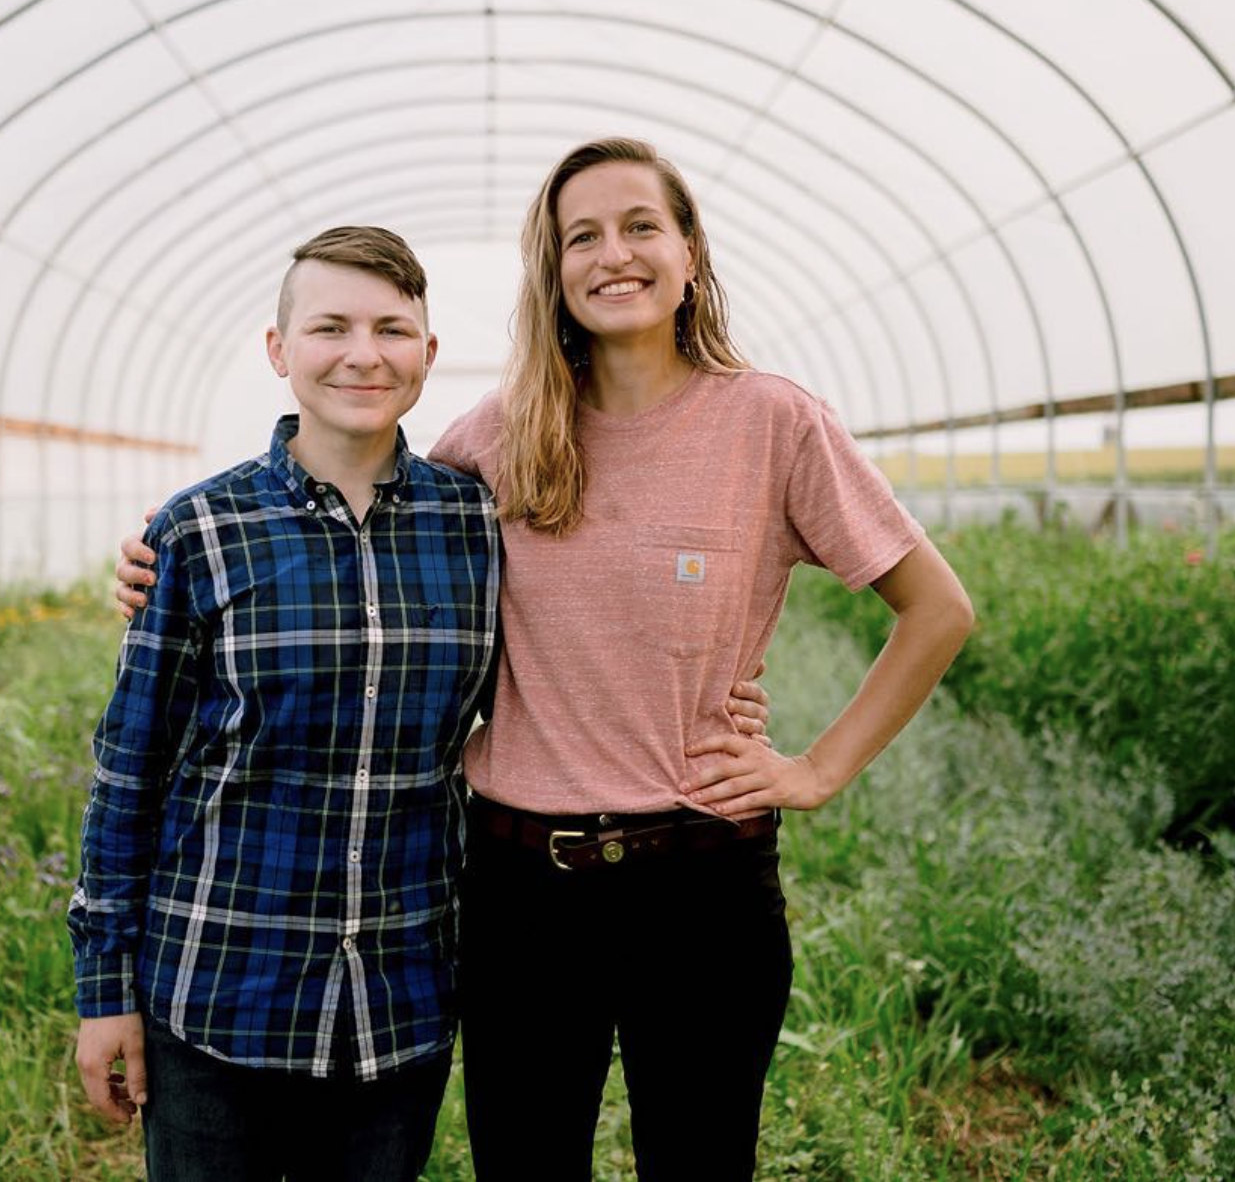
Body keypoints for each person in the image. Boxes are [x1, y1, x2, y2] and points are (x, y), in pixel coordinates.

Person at [117, 138, 972, 1180]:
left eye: (640, 226)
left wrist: (817, 770)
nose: (613, 254)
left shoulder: (772, 423)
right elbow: (361, 531)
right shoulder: (502, 430)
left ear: (689, 252)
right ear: (553, 267)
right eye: (582, 236)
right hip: (522, 885)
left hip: (701, 881)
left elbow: (935, 609)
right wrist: (158, 561)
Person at [77, 222, 771, 1182]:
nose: (363, 354)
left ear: (428, 355)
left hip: (396, 1007)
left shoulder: (477, 519)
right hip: (218, 987)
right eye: (330, 329)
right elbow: (128, 777)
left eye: (392, 330)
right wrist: (104, 993)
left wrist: (707, 695)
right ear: (279, 352)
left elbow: (570, 658)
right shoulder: (196, 534)